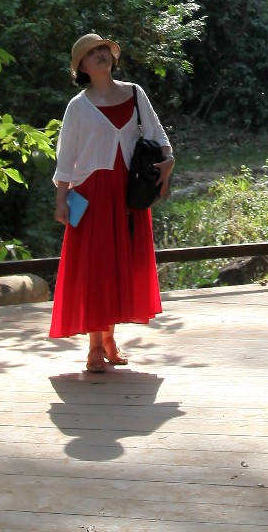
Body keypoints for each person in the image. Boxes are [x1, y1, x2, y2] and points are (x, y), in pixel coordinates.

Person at [50, 33, 175, 373]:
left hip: (129, 190)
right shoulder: (77, 106)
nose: (101, 55)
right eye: (92, 54)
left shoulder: (135, 93)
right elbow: (67, 158)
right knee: (96, 267)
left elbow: (158, 133)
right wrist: (62, 199)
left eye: (103, 49)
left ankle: (109, 340)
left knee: (120, 264)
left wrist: (169, 161)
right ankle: (94, 346)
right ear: (82, 67)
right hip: (91, 193)